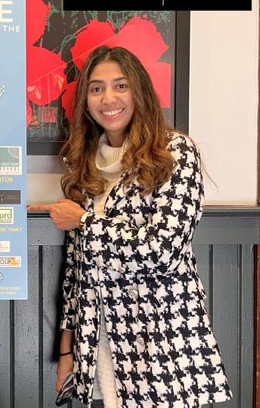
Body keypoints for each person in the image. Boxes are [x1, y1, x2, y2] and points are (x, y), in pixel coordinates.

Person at [28, 46, 232, 407]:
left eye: (120, 86)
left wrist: (84, 222)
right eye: (96, 88)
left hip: (160, 331)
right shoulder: (83, 162)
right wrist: (67, 354)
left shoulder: (175, 152)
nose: (109, 98)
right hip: (102, 334)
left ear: (138, 91)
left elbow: (162, 252)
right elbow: (77, 273)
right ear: (86, 101)